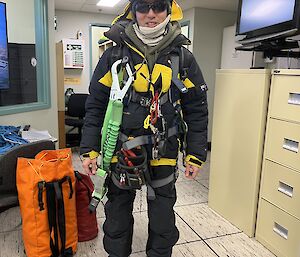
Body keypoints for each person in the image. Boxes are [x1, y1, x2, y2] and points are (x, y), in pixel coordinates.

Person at [80, 0, 208, 256]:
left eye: (158, 6)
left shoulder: (183, 58)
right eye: (143, 7)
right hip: (122, 150)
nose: (151, 14)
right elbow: (95, 105)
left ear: (169, 10)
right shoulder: (113, 56)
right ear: (133, 10)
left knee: (163, 220)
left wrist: (195, 154)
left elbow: (197, 111)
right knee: (116, 216)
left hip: (165, 151)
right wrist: (89, 149)